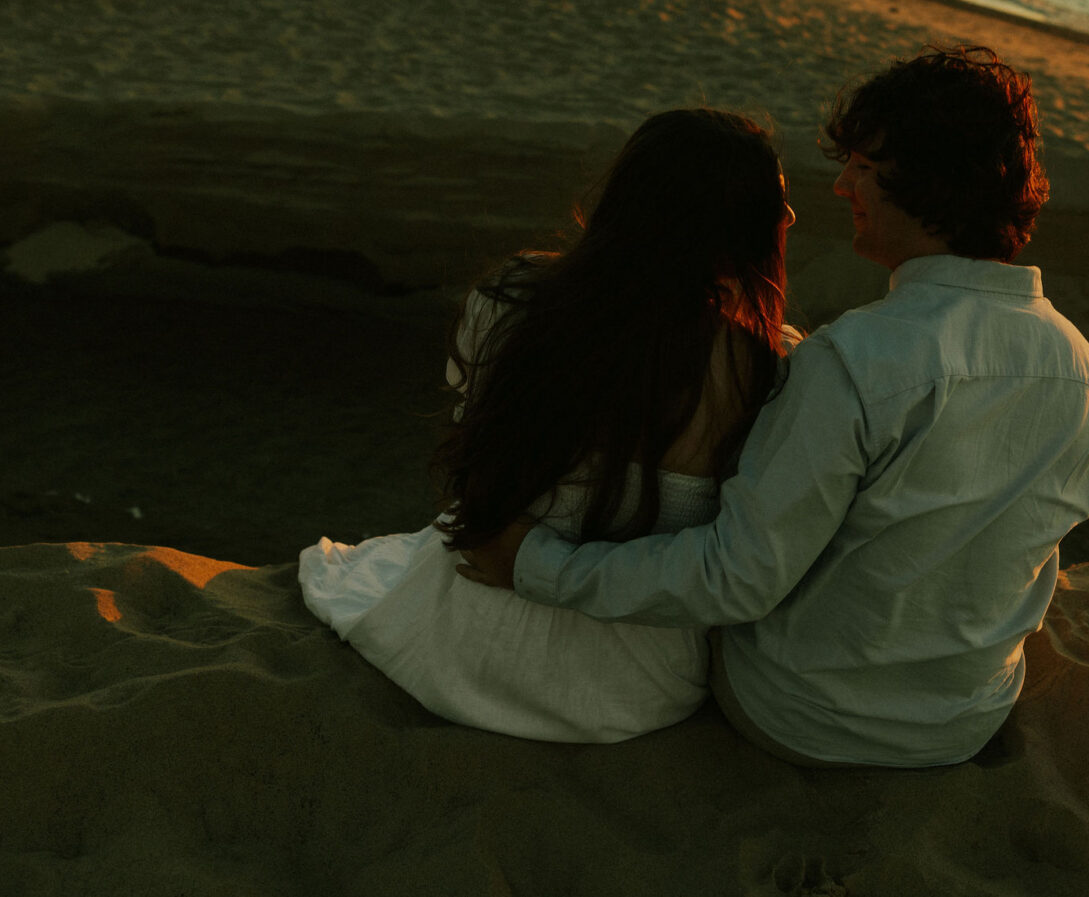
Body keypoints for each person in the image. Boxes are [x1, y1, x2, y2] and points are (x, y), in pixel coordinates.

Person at [461, 45, 1089, 767]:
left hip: (801, 715)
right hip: (963, 722)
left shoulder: (853, 363)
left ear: (932, 187)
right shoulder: (1081, 371)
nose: (841, 185)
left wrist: (533, 562)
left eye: (865, 167)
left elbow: (737, 577)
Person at [299, 108, 797, 742]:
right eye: (775, 205)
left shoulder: (515, 296)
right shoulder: (762, 368)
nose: (788, 220)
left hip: (458, 639)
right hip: (628, 687)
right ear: (734, 228)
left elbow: (474, 429)